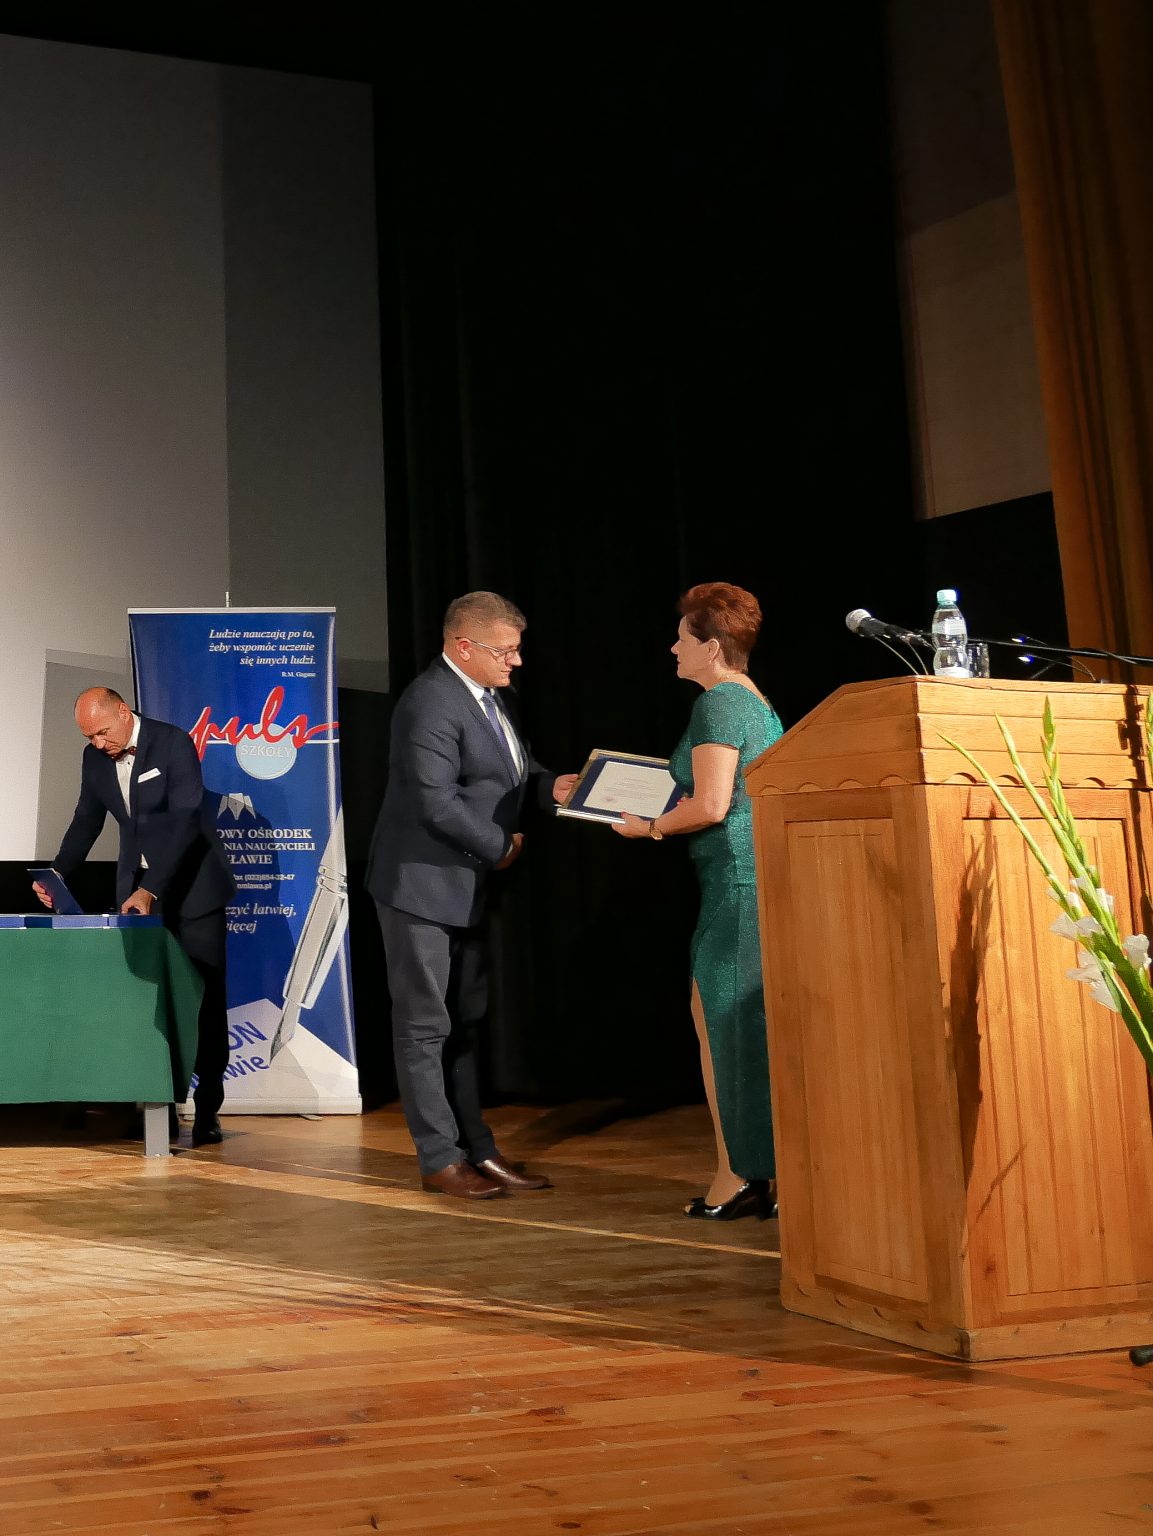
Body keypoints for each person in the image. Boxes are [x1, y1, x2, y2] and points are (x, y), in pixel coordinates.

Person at [366, 592, 578, 1200]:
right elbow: (435, 802)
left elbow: (511, 770)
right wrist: (500, 846)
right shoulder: (429, 702)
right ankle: (439, 1159)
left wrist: (551, 788)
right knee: (424, 1026)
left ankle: (478, 1151)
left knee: (463, 1023)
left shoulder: (486, 696)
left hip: (466, 888)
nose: (517, 662)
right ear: (464, 647)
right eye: (506, 651)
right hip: (420, 886)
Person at [614, 583, 783, 1220]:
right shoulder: (750, 700)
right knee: (737, 1026)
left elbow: (711, 806)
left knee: (724, 1026)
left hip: (738, 882)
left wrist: (649, 828)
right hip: (746, 878)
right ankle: (756, 1171)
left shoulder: (719, 703)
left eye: (682, 637)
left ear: (711, 648)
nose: (672, 647)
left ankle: (740, 1176)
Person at [34, 687, 236, 1146]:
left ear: (124, 712)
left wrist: (151, 888)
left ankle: (208, 1110)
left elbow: (186, 820)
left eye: (103, 732)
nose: (98, 744)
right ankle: (159, 1110)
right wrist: (57, 873)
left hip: (194, 892)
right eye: (89, 737)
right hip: (139, 897)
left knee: (201, 999)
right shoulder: (94, 758)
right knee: (149, 1003)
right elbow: (86, 819)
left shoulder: (173, 742)